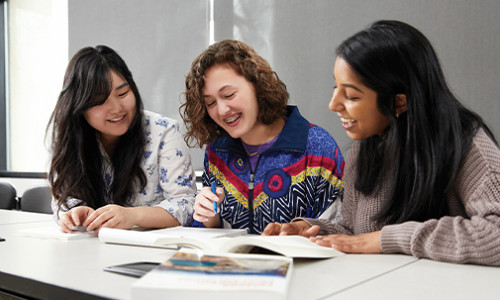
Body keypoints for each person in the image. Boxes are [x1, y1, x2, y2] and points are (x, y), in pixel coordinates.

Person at [263, 20, 500, 266]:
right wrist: (310, 231)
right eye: (336, 88)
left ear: (399, 102)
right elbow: (356, 233)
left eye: (352, 95)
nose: (333, 105)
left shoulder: (465, 144)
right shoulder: (361, 151)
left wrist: (388, 239)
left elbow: (496, 234)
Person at [181, 40, 344, 234]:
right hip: (230, 263)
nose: (222, 110)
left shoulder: (317, 147)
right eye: (210, 103)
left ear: (257, 85)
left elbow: (341, 228)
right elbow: (210, 230)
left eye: (229, 94)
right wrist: (209, 217)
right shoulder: (217, 151)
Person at [48, 45, 196, 233]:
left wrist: (132, 216)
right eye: (100, 101)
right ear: (79, 106)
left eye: (123, 94)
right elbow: (62, 200)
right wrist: (74, 213)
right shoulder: (69, 137)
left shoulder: (164, 133)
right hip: (90, 249)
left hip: (153, 250)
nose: (117, 109)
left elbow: (187, 205)